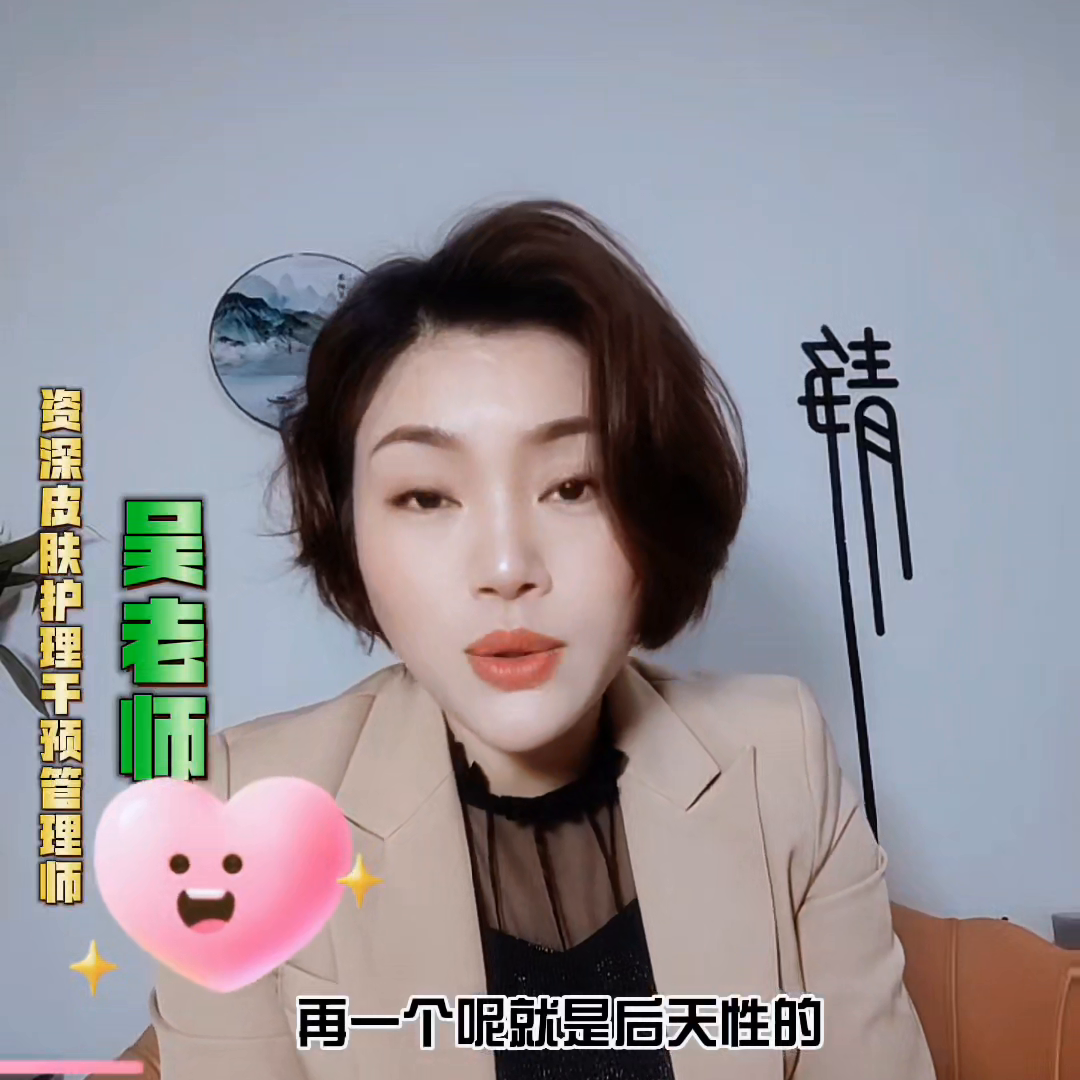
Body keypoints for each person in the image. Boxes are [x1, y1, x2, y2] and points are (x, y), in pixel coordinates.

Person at [97, 199, 935, 1079]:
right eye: (426, 496)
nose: (506, 567)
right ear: (351, 534)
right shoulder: (241, 807)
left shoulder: (776, 757)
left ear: (656, 510)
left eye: (573, 486)